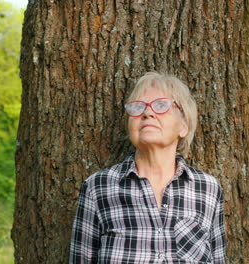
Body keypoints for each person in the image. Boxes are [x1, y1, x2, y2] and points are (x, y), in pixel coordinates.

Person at [69, 72, 226, 263]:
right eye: (137, 107)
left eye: (161, 105)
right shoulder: (98, 187)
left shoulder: (208, 189)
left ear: (184, 126)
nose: (147, 113)